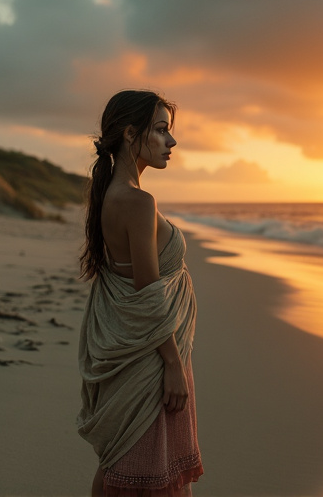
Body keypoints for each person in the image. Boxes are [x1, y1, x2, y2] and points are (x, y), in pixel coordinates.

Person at [77, 90, 203, 497]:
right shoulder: (136, 201)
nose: (172, 142)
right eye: (162, 130)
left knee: (120, 461)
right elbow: (147, 291)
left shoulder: (114, 194)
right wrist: (171, 365)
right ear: (131, 133)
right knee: (144, 469)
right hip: (152, 355)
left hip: (145, 348)